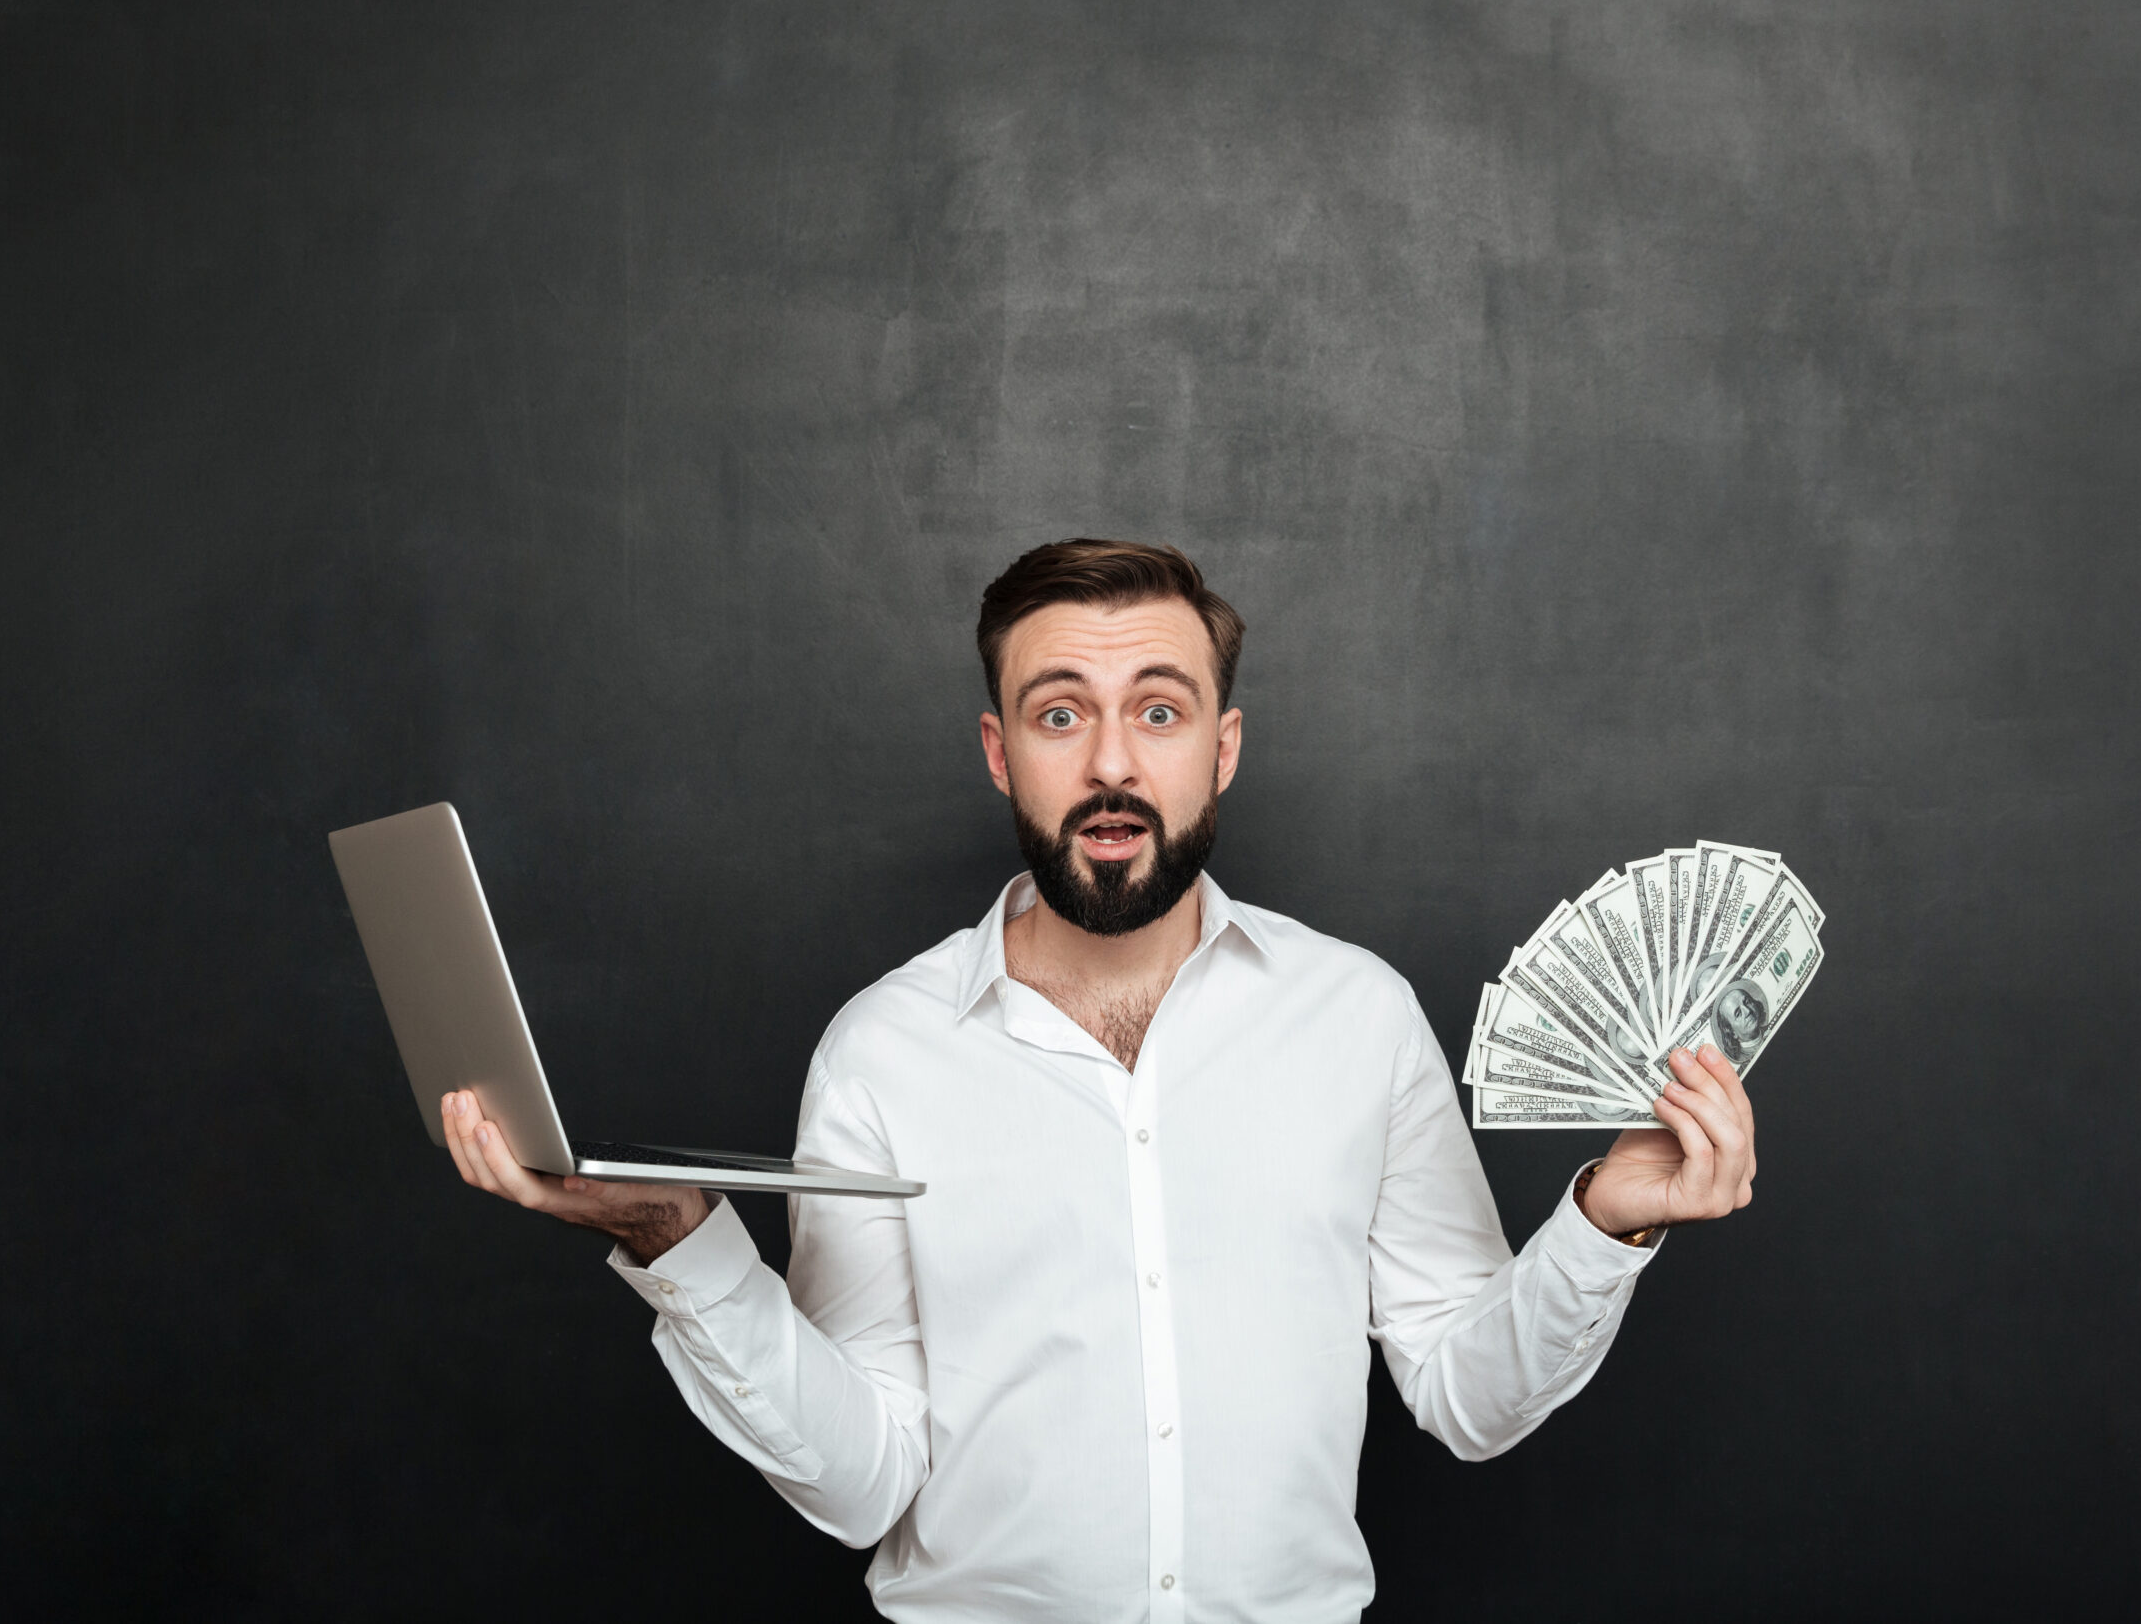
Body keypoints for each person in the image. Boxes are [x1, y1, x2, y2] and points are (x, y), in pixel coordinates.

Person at [439, 539, 1758, 1622]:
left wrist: (1607, 1215)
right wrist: (685, 1252)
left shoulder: (1355, 1017)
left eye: (1160, 712)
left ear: (1222, 750)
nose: (1113, 764)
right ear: (1000, 751)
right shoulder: (883, 1049)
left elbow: (1468, 1401)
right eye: (1060, 713)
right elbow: (862, 1480)